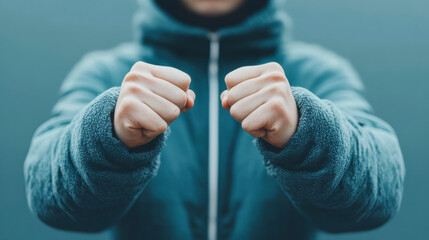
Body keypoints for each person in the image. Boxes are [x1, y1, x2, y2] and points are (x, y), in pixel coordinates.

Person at [24, 0, 405, 239]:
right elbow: (49, 199)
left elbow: (379, 195)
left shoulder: (318, 72)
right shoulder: (107, 73)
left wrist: (305, 129)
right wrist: (109, 132)